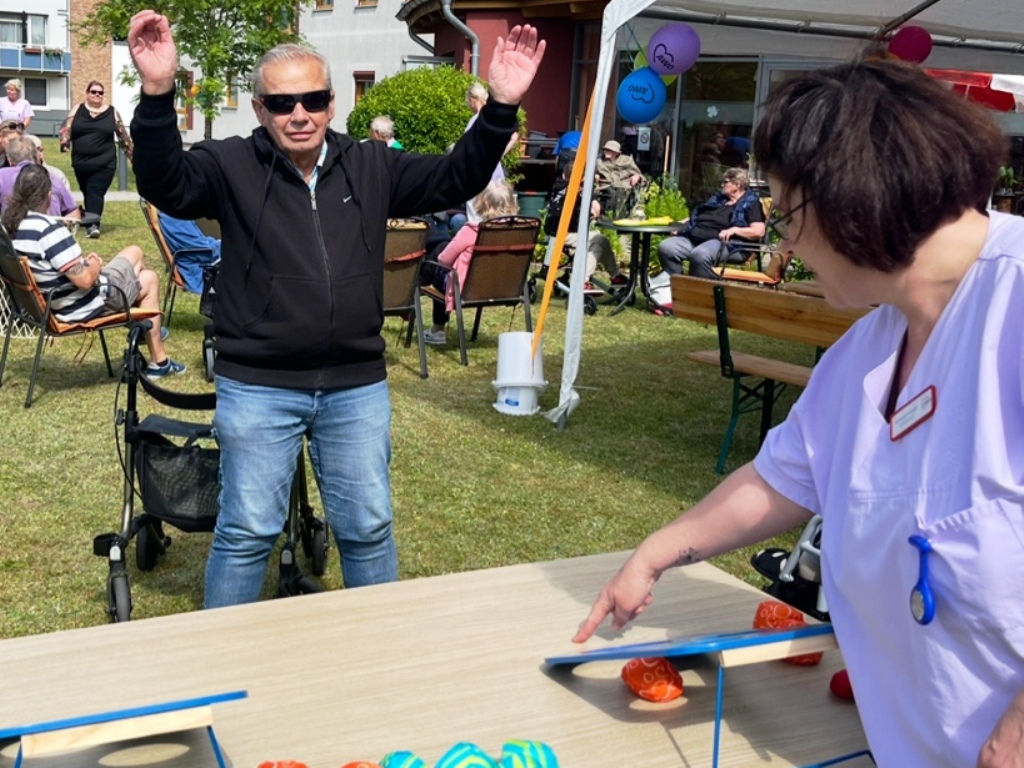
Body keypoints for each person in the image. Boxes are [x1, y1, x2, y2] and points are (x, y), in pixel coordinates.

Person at [573, 59, 1024, 768]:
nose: (782, 243)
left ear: (852, 199)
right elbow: (784, 477)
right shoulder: (870, 346)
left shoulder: (1013, 301)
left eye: (785, 214)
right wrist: (655, 554)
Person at [127, 10, 545, 608]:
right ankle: (225, 655)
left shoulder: (370, 164)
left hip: (355, 387)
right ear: (259, 109)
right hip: (260, 385)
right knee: (247, 534)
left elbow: (456, 177)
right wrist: (158, 90)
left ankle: (375, 653)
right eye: (282, 103)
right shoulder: (229, 165)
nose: (299, 114)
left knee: (368, 530)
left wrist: (500, 105)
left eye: (314, 99)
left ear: (332, 103)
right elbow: (163, 181)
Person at [4, 165, 183, 377]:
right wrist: (94, 264)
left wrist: (86, 264)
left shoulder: (12, 227)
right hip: (84, 305)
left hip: (52, 304)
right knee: (148, 276)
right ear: (49, 196)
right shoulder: (47, 229)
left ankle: (147, 334)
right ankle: (157, 357)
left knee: (134, 256)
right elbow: (85, 280)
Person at [421, 180, 520, 345]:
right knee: (441, 253)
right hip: (504, 288)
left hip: (468, 289)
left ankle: (436, 327)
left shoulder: (472, 231)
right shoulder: (520, 232)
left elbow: (444, 260)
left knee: (439, 261)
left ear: (482, 204)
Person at [655, 167, 765, 280]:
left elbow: (759, 231)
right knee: (667, 247)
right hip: (695, 240)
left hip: (728, 245)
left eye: (725, 182)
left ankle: (698, 288)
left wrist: (734, 230)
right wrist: (680, 225)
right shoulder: (719, 199)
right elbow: (699, 216)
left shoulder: (751, 203)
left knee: (699, 255)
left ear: (737, 185)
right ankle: (676, 284)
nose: (722, 185)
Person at [58, 81, 134, 239]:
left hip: (105, 162)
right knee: (87, 192)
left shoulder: (112, 112)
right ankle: (88, 218)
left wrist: (132, 155)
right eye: (94, 92)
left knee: (95, 191)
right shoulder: (77, 109)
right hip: (81, 162)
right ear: (87, 93)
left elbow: (123, 135)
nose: (97, 95)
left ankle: (93, 225)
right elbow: (66, 127)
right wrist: (65, 142)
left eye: (100, 92)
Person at [544, 159, 623, 288]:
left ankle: (614, 276)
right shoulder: (574, 192)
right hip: (563, 235)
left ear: (564, 175)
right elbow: (591, 208)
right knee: (599, 240)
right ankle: (583, 281)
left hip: (554, 233)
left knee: (600, 241)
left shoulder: (558, 187)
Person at [463, 82, 520, 223]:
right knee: (499, 215)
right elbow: (514, 136)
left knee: (478, 218)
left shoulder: (475, 121)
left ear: (472, 100)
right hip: (495, 173)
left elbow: (468, 151)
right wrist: (497, 155)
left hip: (478, 175)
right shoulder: (492, 119)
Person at [0, 136, 79, 219]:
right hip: (50, 225)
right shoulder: (52, 177)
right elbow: (73, 213)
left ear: (9, 160)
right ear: (36, 156)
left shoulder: (2, 176)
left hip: (13, 225)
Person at [156, 210, 223, 294]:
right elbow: (201, 250)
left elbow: (200, 242)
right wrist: (223, 245)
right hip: (199, 272)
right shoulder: (174, 218)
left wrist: (218, 243)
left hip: (198, 263)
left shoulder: (174, 214)